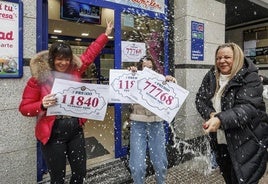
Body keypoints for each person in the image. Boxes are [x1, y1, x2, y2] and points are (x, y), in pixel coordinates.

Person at [19, 20, 113, 184]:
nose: (64, 63)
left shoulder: (75, 71)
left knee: (80, 173)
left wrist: (105, 35)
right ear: (52, 59)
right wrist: (41, 104)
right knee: (57, 178)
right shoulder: (38, 79)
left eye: (67, 59)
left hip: (75, 130)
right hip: (53, 134)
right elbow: (24, 108)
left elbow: (90, 54)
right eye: (59, 59)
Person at [195, 42, 268, 184]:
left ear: (237, 58)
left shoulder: (250, 77)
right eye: (218, 58)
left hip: (247, 142)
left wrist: (220, 119)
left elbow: (247, 108)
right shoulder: (211, 75)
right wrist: (210, 114)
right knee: (229, 178)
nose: (222, 61)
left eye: (227, 57)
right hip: (222, 141)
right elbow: (200, 99)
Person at [128, 56, 176, 184]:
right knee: (137, 166)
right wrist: (130, 74)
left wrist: (171, 81)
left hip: (156, 123)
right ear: (139, 68)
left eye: (150, 67)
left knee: (160, 162)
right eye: (144, 67)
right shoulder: (134, 77)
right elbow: (124, 87)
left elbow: (173, 92)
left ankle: (161, 181)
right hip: (137, 123)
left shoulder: (160, 79)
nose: (148, 70)